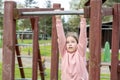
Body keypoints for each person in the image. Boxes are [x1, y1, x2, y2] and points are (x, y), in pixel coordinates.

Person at [55, 15, 88, 80]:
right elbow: (61, 37)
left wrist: (83, 19)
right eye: (67, 42)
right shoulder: (64, 53)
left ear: (77, 44)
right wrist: (58, 19)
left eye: (73, 42)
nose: (70, 44)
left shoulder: (80, 53)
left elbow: (83, 37)